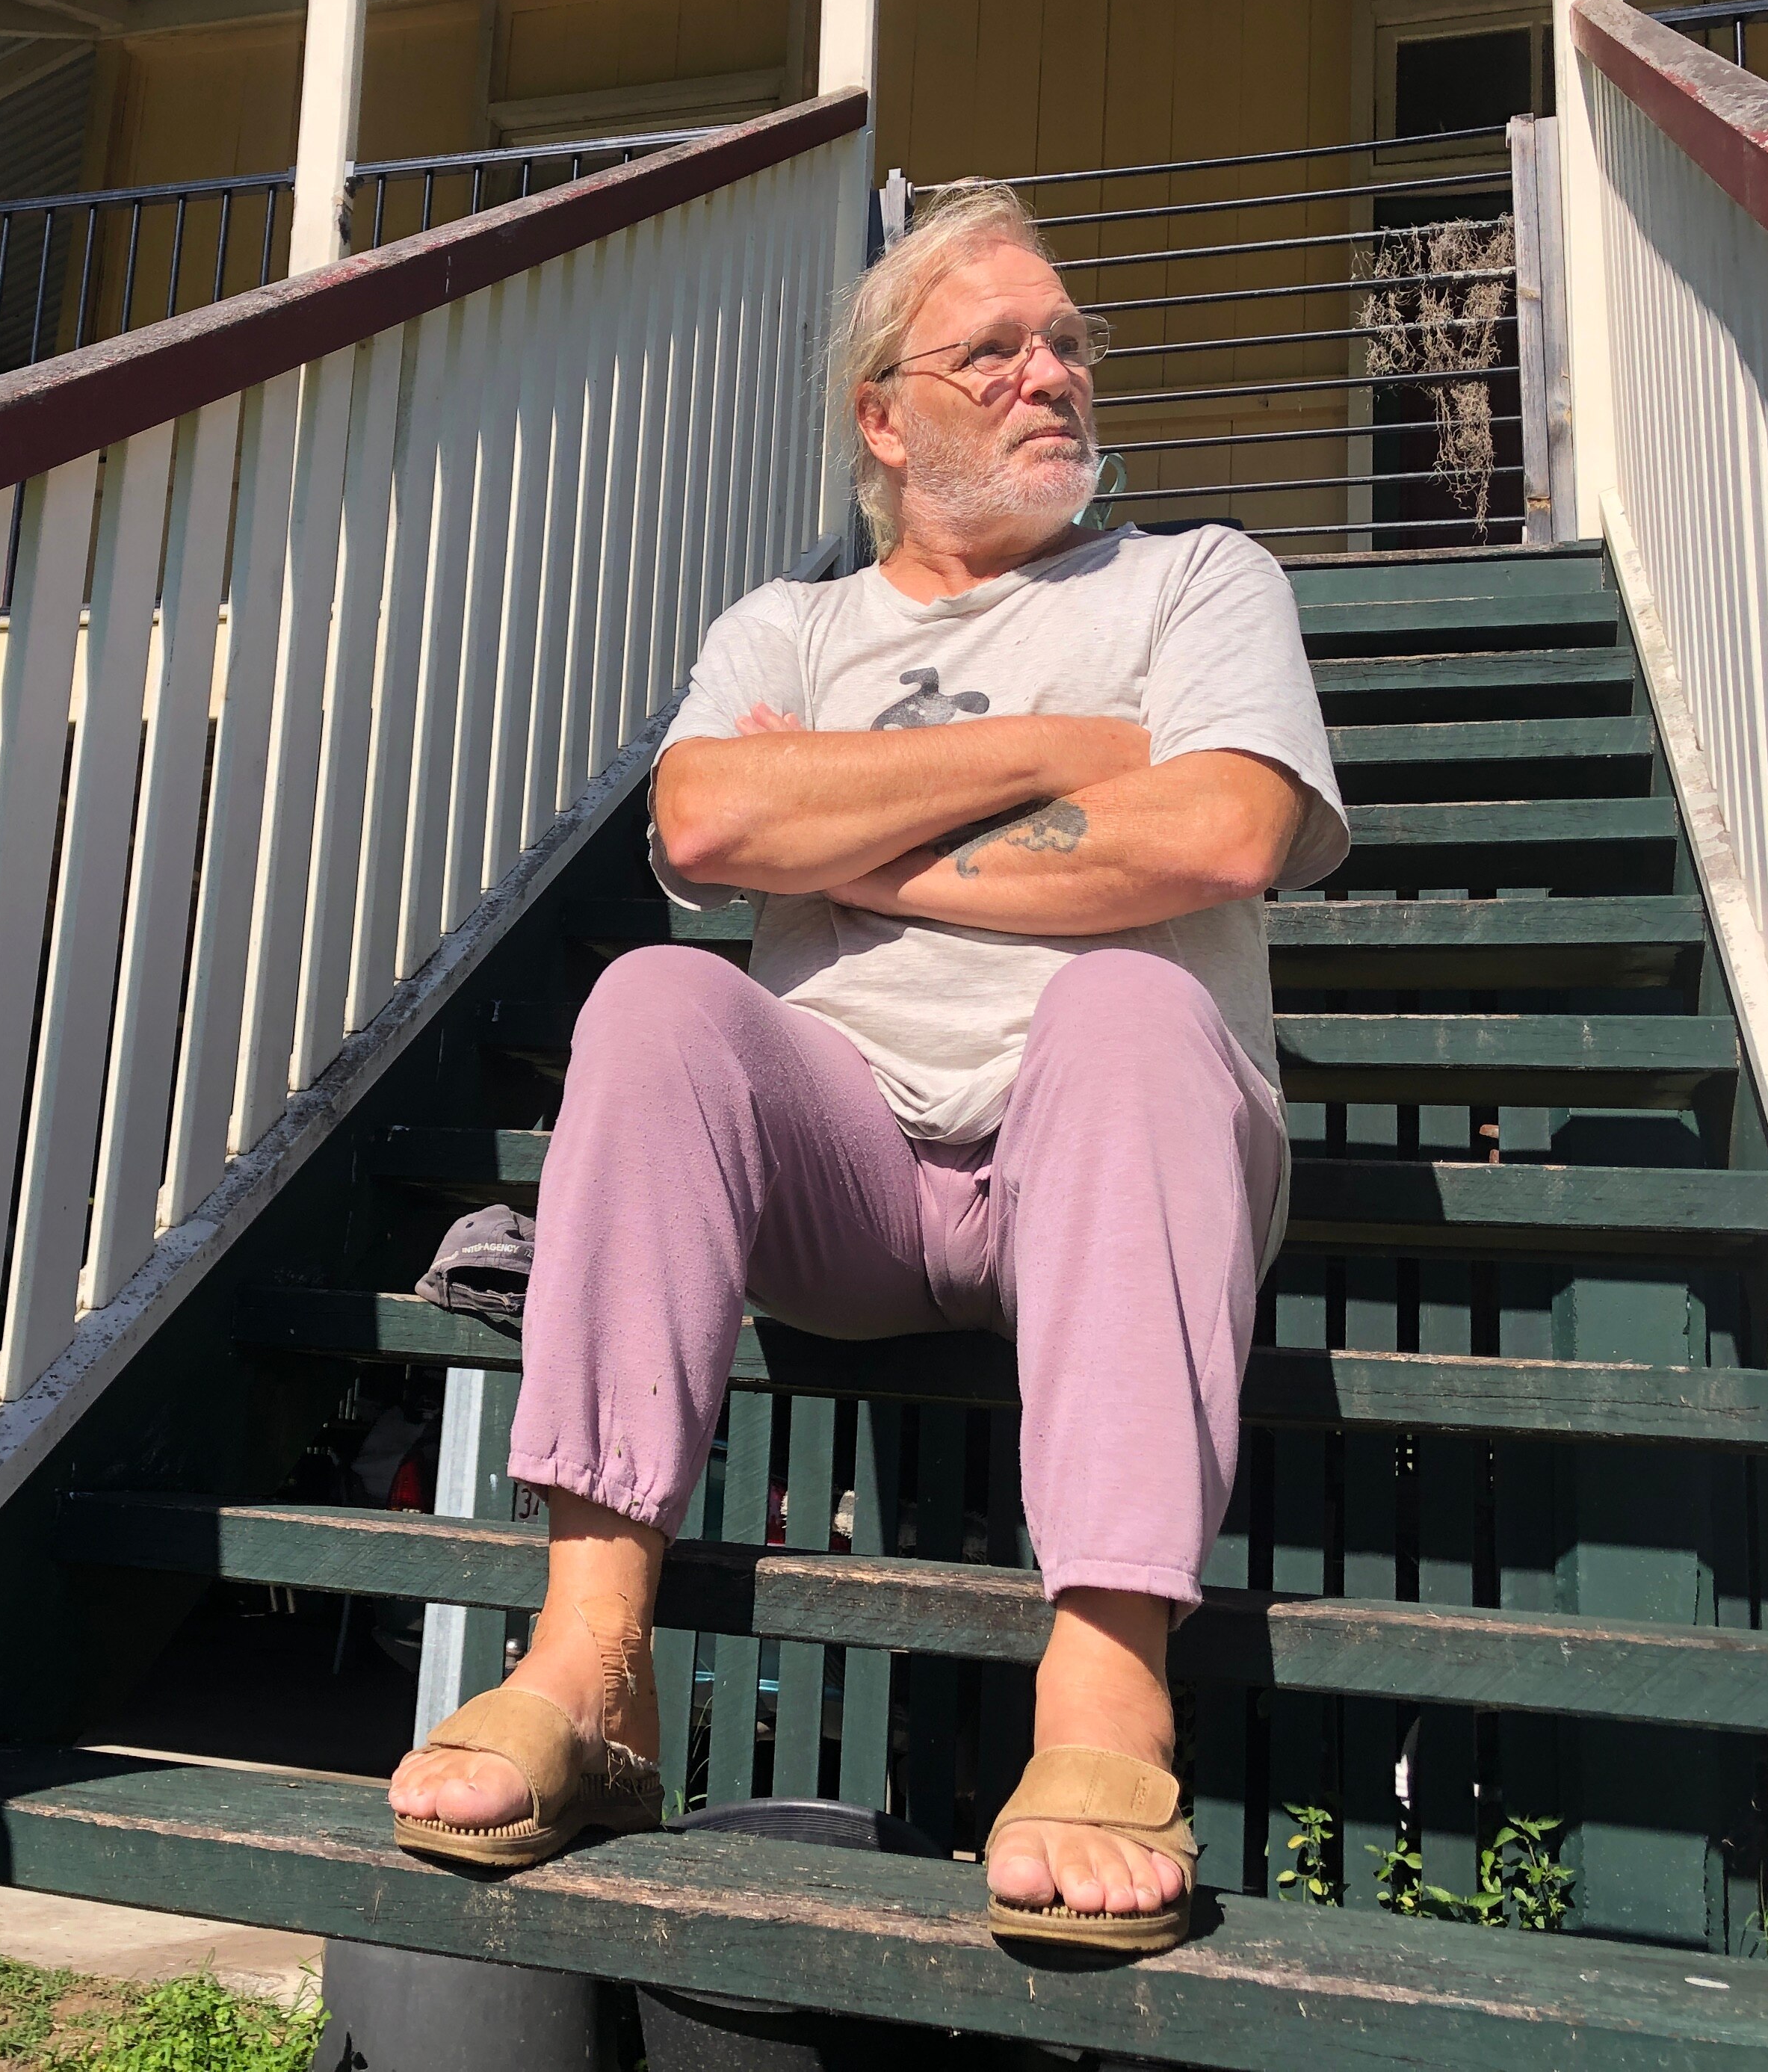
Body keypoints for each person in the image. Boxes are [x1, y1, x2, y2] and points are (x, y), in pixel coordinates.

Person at [386, 180, 1349, 1952]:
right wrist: (1070, 747)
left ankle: (1108, 1688)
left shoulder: (1197, 580)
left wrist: (846, 841)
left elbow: (1222, 829)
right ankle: (593, 1658)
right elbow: (707, 819)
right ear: (885, 420)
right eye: (992, 351)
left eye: (1068, 343)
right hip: (846, 1174)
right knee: (655, 1001)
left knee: (1132, 1007)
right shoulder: (789, 629)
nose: (1051, 373)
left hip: (1109, 1155)